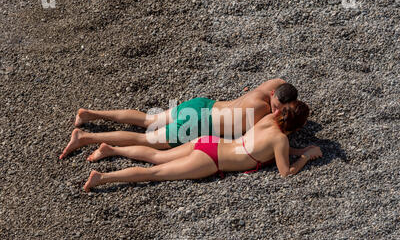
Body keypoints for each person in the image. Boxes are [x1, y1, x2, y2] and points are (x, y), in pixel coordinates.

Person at [83, 100, 322, 192]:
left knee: (156, 155)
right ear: (297, 127)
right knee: (154, 172)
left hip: (208, 142)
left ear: (280, 112)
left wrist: (297, 150)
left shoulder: (268, 120)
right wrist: (306, 157)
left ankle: (112, 149)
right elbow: (285, 173)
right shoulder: (280, 140)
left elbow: (265, 147)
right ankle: (103, 178)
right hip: (211, 160)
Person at [59, 78, 298, 159]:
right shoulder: (260, 111)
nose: (276, 112)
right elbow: (260, 138)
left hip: (201, 104)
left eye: (280, 109)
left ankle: (89, 113)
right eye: (275, 106)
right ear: (272, 97)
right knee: (145, 140)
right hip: (198, 125)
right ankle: (86, 137)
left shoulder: (274, 85)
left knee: (147, 120)